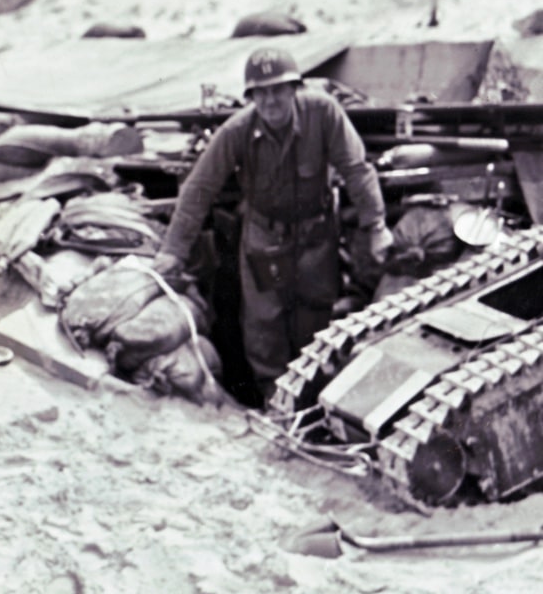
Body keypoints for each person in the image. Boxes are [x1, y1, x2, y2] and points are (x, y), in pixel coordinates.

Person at [153, 46, 394, 402]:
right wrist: (173, 252)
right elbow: (198, 190)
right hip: (267, 244)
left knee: (314, 319)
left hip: (315, 241)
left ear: (294, 88)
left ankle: (313, 400)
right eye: (260, 93)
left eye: (277, 90)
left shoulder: (323, 113)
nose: (270, 101)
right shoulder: (237, 130)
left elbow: (357, 169)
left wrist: (376, 226)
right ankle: (273, 400)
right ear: (250, 97)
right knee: (266, 326)